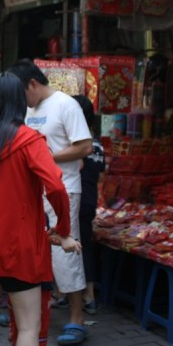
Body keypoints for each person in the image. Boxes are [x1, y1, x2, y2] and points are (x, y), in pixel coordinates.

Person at [0, 72, 81, 346]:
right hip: (20, 246)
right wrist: (63, 231)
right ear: (18, 102)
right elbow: (55, 185)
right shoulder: (29, 140)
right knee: (28, 326)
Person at [8, 59, 92, 346]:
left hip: (63, 189)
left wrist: (44, 159)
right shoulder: (29, 108)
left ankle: (77, 317)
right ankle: (29, 306)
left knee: (66, 252)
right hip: (33, 191)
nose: (21, 100)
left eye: (21, 92)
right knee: (33, 249)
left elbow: (84, 146)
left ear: (32, 83)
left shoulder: (66, 105)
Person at [72, 94, 105, 314]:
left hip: (74, 199)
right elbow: (100, 176)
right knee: (86, 245)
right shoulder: (98, 146)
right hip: (90, 201)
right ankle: (89, 295)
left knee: (71, 247)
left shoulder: (74, 145)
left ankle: (71, 294)